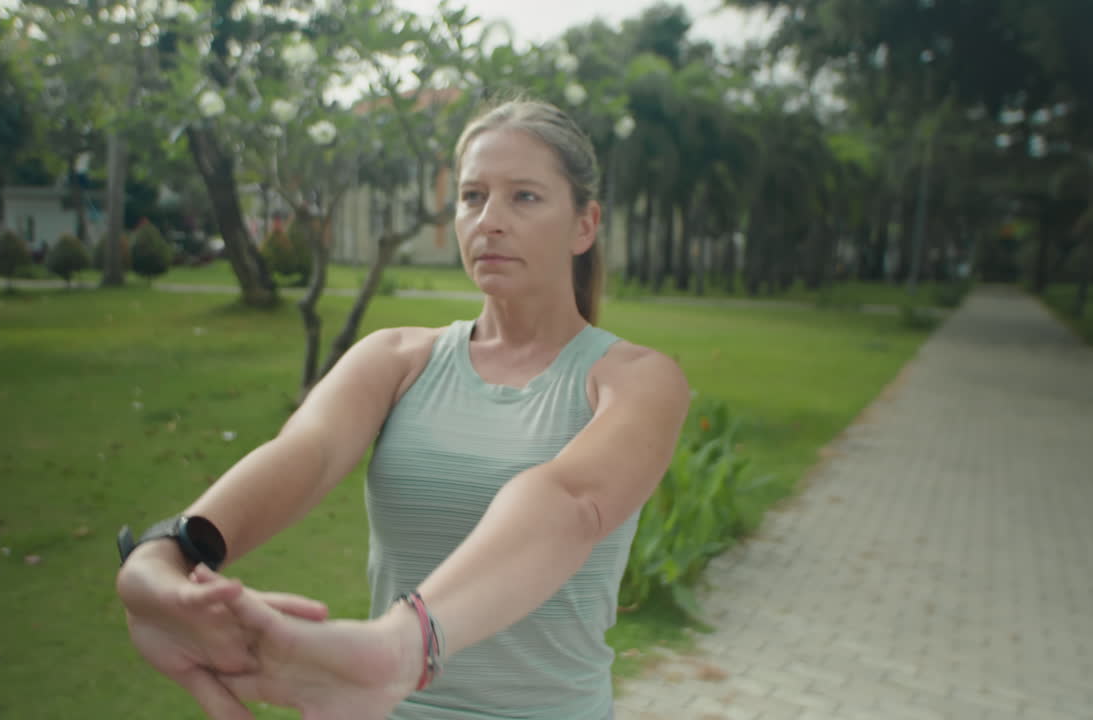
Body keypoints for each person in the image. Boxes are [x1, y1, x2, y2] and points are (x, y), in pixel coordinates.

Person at [115, 97, 690, 720]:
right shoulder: (394, 358)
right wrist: (166, 553)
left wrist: (399, 645)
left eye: (524, 197)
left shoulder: (638, 380)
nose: (490, 220)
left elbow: (570, 501)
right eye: (472, 197)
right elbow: (304, 455)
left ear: (585, 224)